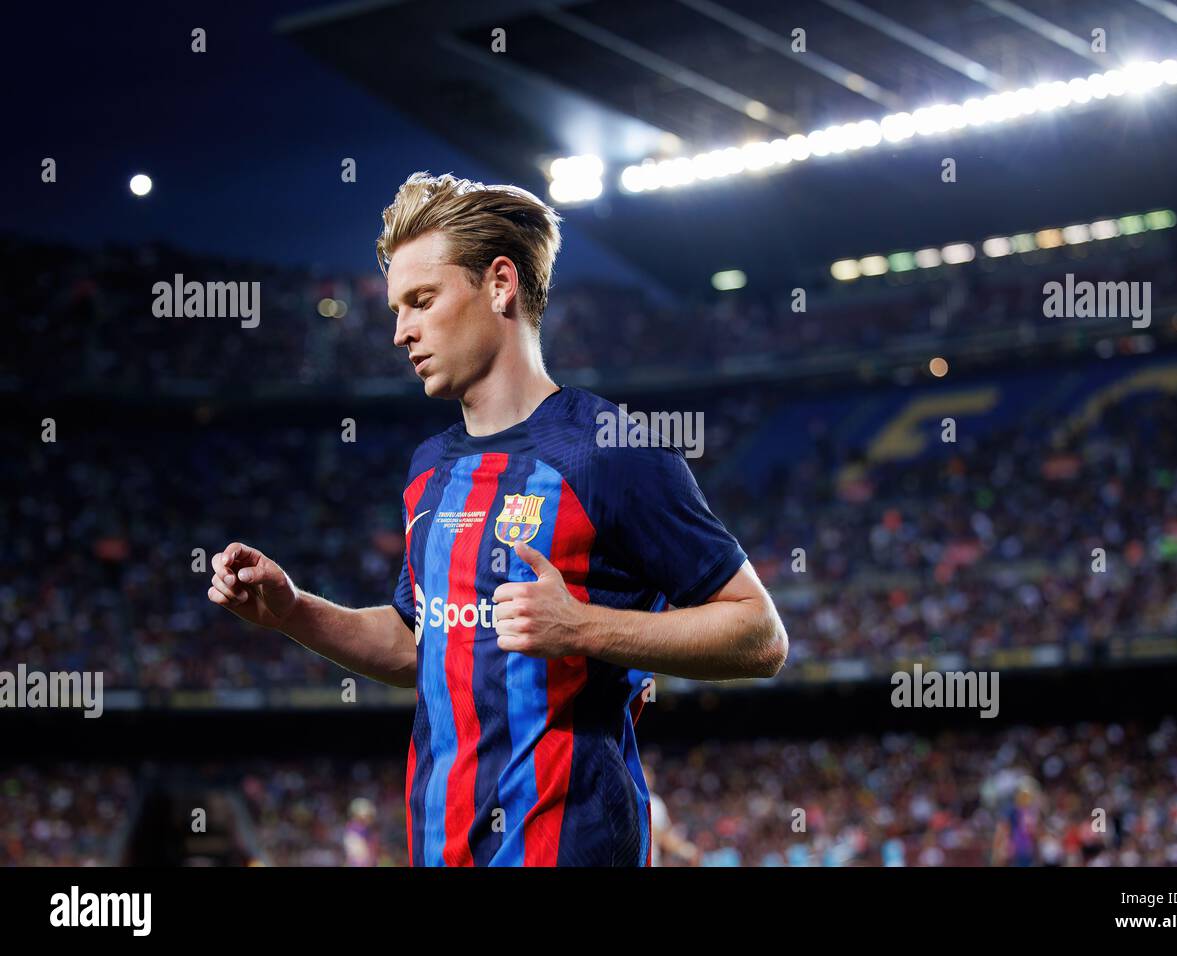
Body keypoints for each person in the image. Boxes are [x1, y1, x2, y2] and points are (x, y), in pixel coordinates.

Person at [207, 172, 788, 866]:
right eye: (397, 309)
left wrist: (583, 628)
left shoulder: (609, 450)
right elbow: (418, 645)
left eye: (421, 301)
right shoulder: (430, 468)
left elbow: (760, 634)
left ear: (500, 284)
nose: (401, 332)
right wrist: (293, 611)